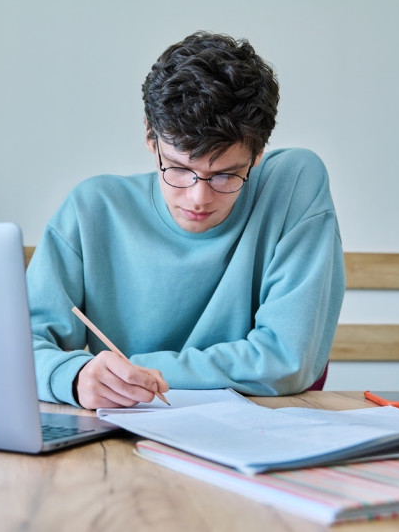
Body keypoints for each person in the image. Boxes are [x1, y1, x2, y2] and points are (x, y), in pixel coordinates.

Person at [26, 31, 345, 409]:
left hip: (253, 437)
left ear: (258, 154)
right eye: (178, 168)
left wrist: (128, 371)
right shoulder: (92, 208)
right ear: (150, 136)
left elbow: (287, 362)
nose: (199, 198)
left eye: (226, 174)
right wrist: (76, 377)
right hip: (125, 430)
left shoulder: (293, 183)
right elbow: (19, 348)